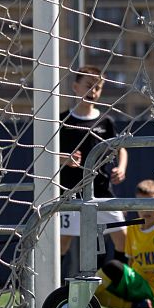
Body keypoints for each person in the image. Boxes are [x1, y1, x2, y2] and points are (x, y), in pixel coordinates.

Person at [58, 66, 128, 264]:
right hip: (71, 191)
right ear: (75, 87)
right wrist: (65, 159)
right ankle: (57, 288)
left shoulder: (106, 121)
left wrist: (121, 168)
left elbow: (121, 148)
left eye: (98, 88)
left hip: (102, 190)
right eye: (89, 86)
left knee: (122, 238)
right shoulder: (63, 120)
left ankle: (119, 286)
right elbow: (48, 154)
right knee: (62, 244)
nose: (93, 92)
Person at [94, 179, 154, 308]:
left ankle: (78, 294)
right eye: (141, 204)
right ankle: (136, 306)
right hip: (134, 284)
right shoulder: (133, 227)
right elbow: (130, 261)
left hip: (153, 291)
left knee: (113, 267)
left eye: (151, 203)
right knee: (98, 295)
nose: (146, 209)